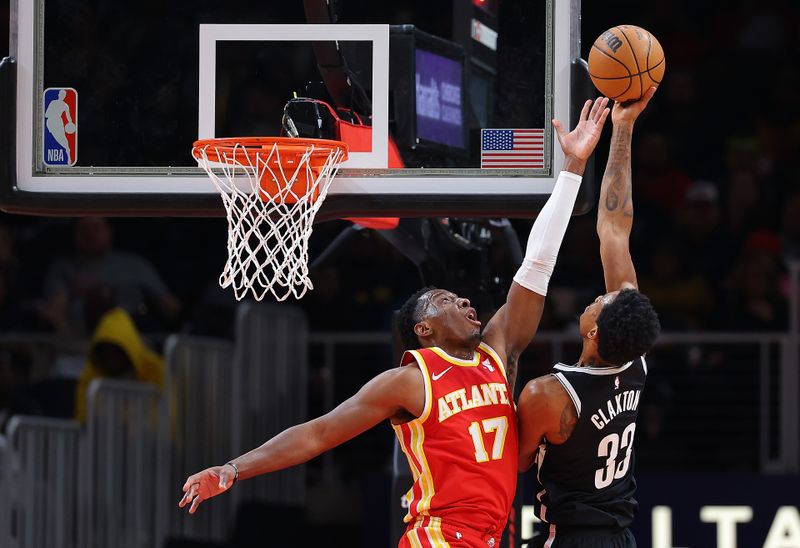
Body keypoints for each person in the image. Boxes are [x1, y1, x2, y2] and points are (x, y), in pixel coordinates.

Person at [178, 97, 611, 547]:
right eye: (445, 300)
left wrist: (573, 168)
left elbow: (537, 265)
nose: (464, 301)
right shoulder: (411, 380)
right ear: (424, 330)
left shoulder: (496, 352)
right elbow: (318, 433)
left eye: (460, 298)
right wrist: (232, 469)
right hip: (439, 538)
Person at [516, 88, 661, 548]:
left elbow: (517, 464)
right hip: (620, 536)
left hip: (573, 538)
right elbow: (615, 228)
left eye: (600, 301)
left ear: (594, 332)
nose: (597, 296)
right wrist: (623, 128)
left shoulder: (547, 395)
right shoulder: (633, 359)